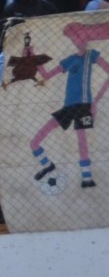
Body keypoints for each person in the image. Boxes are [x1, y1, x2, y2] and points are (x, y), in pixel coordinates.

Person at [31, 22, 109, 188]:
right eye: (74, 39)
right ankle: (47, 165)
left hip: (84, 106)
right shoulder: (70, 60)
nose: (77, 41)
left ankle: (86, 177)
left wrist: (96, 100)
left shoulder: (91, 56)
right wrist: (33, 57)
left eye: (79, 37)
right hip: (69, 107)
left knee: (82, 139)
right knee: (36, 141)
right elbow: (46, 74)